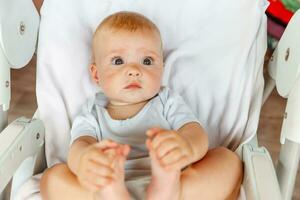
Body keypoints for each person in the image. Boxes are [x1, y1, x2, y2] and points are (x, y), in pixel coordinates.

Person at [40, 11, 243, 200]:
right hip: (108, 184)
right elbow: (80, 145)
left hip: (173, 181)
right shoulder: (92, 112)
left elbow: (194, 132)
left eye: (147, 60)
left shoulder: (166, 101)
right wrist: (85, 160)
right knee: (53, 178)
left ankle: (163, 188)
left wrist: (186, 146)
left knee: (228, 161)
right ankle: (114, 193)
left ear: (161, 69)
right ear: (96, 75)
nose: (134, 70)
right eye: (118, 61)